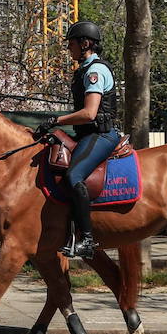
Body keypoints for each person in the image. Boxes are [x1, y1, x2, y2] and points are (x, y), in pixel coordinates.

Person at [32, 20, 121, 260]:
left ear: (85, 44)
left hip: (101, 134)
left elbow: (90, 113)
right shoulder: (83, 70)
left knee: (74, 176)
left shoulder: (95, 71)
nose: (68, 48)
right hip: (86, 134)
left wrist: (56, 120)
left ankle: (88, 239)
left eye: (71, 44)